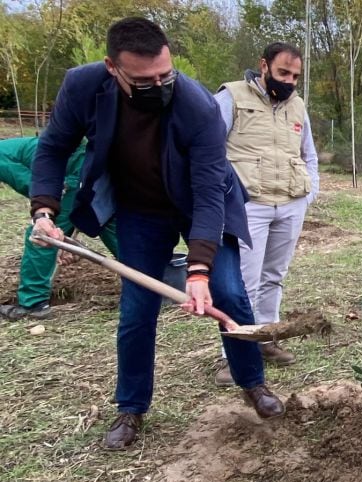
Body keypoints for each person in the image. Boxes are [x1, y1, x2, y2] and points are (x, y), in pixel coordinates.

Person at [30, 17, 284, 451]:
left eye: (165, 75)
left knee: (229, 293)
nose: (159, 85)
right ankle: (131, 409)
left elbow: (207, 194)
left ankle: (252, 383)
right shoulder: (83, 86)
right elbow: (52, 148)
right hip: (140, 210)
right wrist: (44, 210)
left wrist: (199, 270)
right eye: (145, 80)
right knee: (136, 310)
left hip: (201, 203)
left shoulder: (199, 106)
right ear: (113, 68)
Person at [210, 41, 319, 386]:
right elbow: (207, 148)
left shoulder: (298, 106)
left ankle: (267, 339)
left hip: (289, 203)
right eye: (283, 72)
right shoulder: (231, 98)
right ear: (264, 66)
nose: (288, 81)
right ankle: (234, 356)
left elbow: (309, 155)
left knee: (274, 275)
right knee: (243, 285)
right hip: (248, 206)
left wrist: (309, 195)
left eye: (295, 76)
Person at [0, 137, 119, 320]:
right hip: (87, 162)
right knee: (107, 222)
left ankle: (33, 303)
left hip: (70, 172)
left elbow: (32, 184)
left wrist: (48, 205)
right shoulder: (10, 148)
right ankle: (155, 277)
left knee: (42, 234)